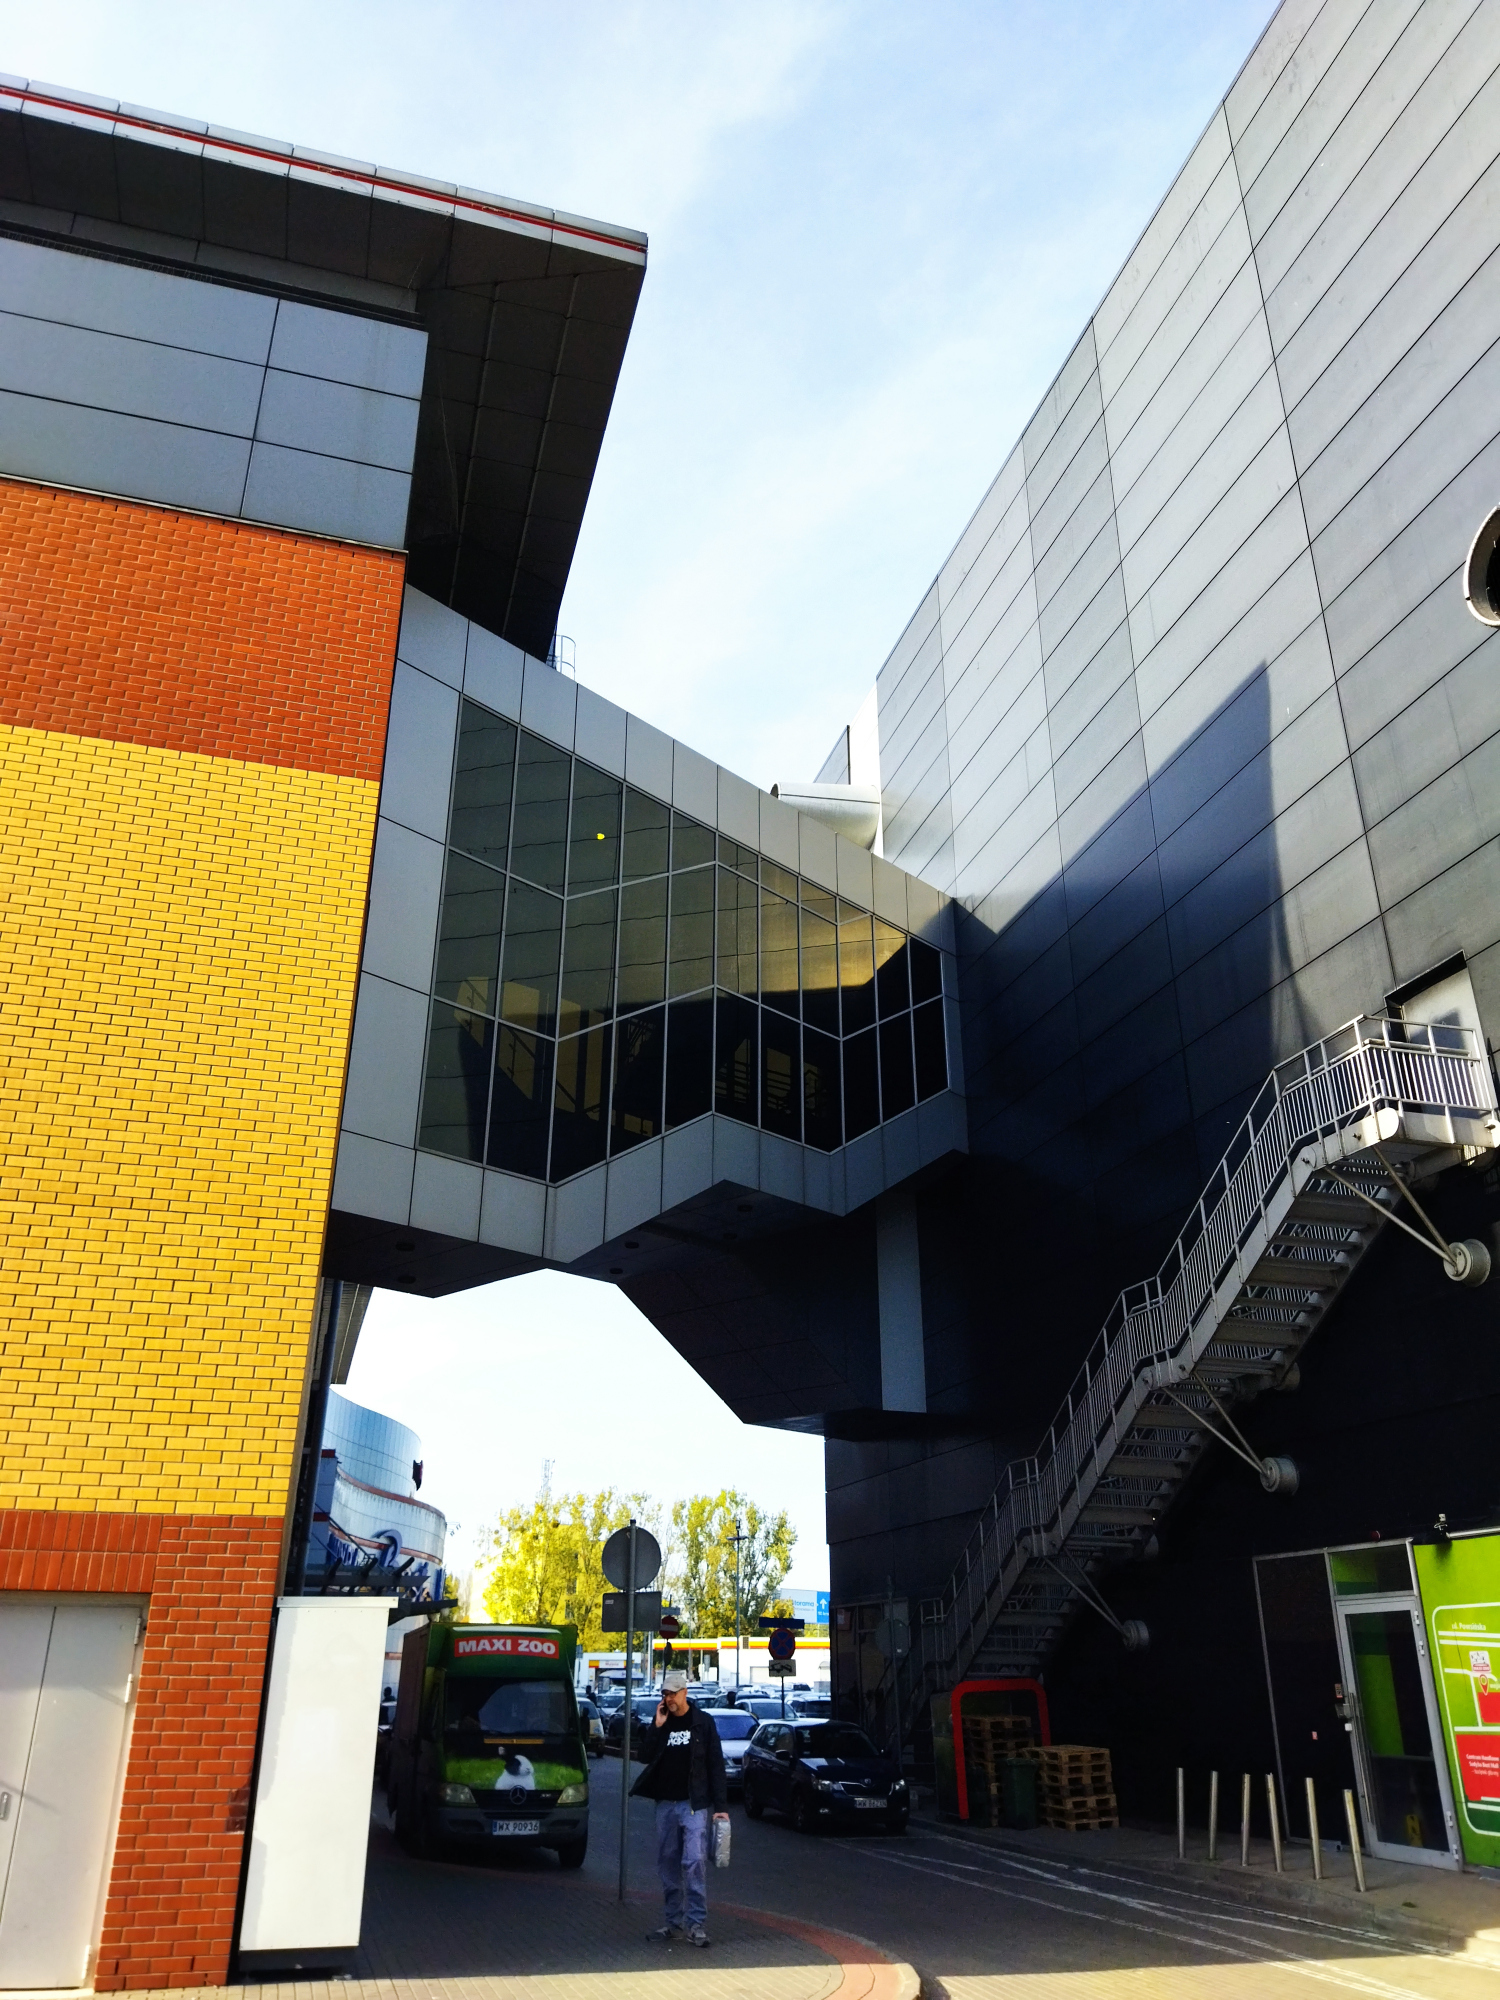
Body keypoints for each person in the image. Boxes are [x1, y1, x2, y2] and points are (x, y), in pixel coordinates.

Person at [631, 1668, 728, 1948]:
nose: (668, 1699)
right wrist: (656, 1726)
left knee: (695, 1860)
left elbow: (715, 1765)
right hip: (665, 1805)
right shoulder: (662, 1723)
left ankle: (696, 1924)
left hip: (693, 1804)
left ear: (685, 1693)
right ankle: (673, 1923)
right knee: (668, 1863)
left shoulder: (703, 1723)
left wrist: (720, 1806)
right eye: (665, 1694)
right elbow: (645, 1757)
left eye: (672, 1694)